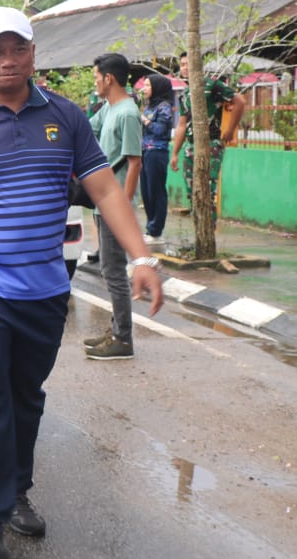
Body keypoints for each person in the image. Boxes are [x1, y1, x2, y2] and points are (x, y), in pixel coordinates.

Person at [0, 8, 163, 559]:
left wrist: (141, 255)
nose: (6, 61)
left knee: (24, 396)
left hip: (44, 288)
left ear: (32, 54)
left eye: (16, 49)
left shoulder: (67, 118)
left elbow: (106, 190)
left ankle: (15, 489)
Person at [85, 53, 145, 361]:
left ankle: (123, 338)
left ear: (109, 78)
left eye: (96, 77)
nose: (94, 82)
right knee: (109, 269)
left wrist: (122, 204)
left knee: (114, 271)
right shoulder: (108, 109)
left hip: (114, 205)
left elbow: (134, 162)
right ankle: (116, 330)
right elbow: (84, 129)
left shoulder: (127, 114)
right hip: (101, 202)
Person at [171, 51, 247, 225]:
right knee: (192, 192)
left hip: (210, 143)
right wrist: (175, 153)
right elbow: (182, 124)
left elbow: (239, 102)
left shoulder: (212, 86)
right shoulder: (184, 94)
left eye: (188, 63)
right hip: (190, 146)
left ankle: (208, 235)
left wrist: (229, 130)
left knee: (207, 190)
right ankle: (199, 234)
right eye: (182, 64)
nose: (184, 67)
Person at [139, 73, 177, 242]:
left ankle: (156, 230)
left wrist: (144, 121)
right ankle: (150, 227)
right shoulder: (150, 106)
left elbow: (161, 130)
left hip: (157, 152)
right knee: (146, 192)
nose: (143, 89)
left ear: (157, 88)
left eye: (147, 85)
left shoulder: (164, 107)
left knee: (156, 191)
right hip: (145, 152)